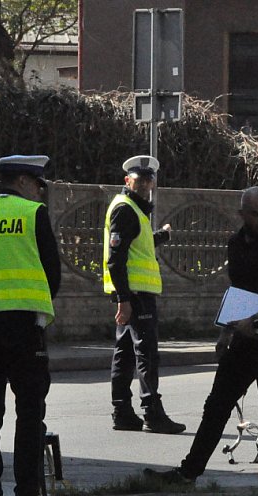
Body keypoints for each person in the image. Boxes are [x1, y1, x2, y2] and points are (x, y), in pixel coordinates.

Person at [144, 186, 258, 484]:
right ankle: (188, 473)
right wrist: (224, 334)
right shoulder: (235, 245)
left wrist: (257, 321)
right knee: (216, 405)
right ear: (242, 214)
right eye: (256, 214)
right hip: (243, 340)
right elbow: (236, 294)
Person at [0, 155, 61, 496]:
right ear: (22, 181)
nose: (39, 192)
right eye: (37, 185)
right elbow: (53, 272)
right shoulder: (33, 214)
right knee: (29, 410)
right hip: (23, 326)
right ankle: (27, 490)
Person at [103, 155, 185, 434]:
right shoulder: (126, 209)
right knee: (146, 354)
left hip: (132, 294)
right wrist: (124, 300)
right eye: (139, 180)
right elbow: (116, 258)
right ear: (128, 181)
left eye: (149, 180)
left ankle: (122, 412)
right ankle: (152, 413)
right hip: (135, 296)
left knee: (125, 353)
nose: (145, 185)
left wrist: (161, 235)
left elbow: (137, 243)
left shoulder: (134, 210)